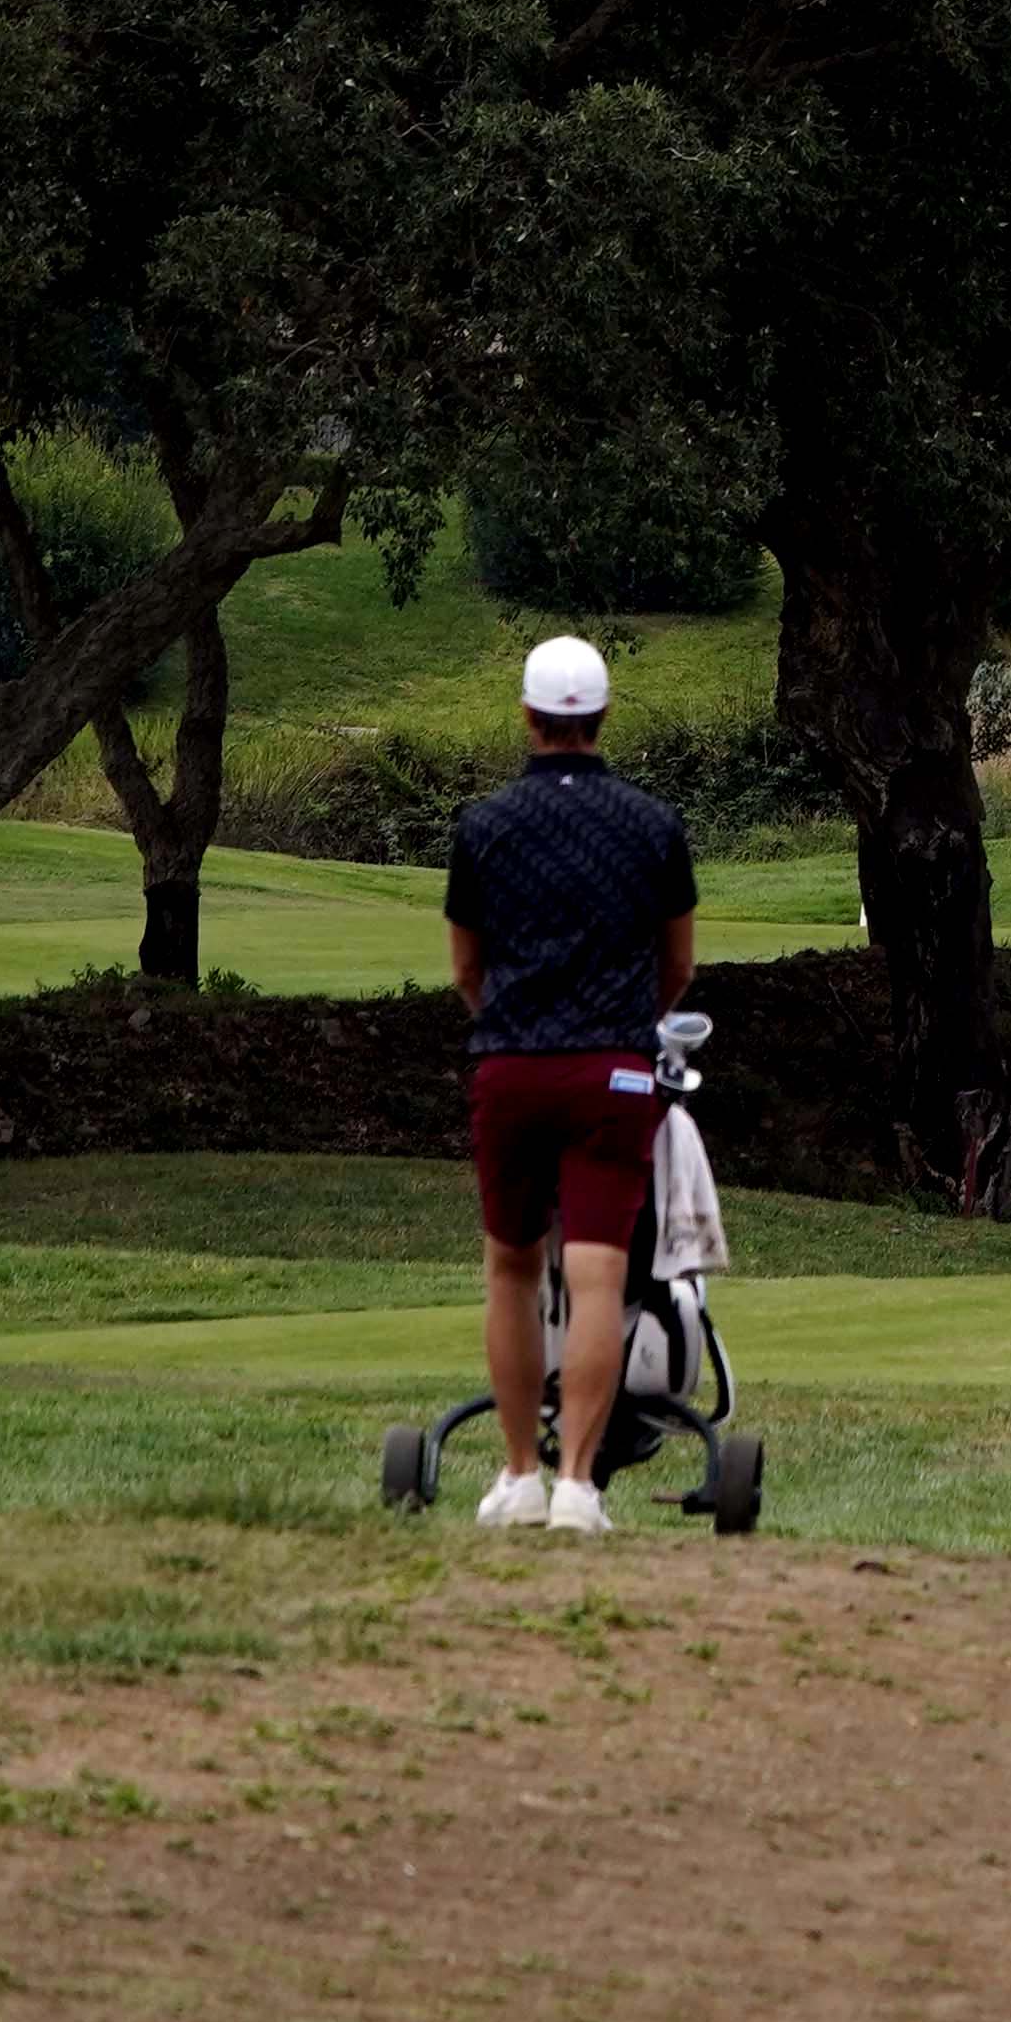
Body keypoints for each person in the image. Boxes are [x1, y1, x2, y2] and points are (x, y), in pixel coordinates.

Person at [442, 634, 698, 1535]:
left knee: (511, 1268)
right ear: (600, 718)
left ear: (528, 717)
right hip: (614, 1073)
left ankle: (518, 1473)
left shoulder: (484, 826)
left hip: (510, 1065)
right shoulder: (652, 824)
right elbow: (677, 965)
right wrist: (629, 1022)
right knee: (597, 1275)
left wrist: (509, 1018)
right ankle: (579, 1488)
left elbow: (467, 967)